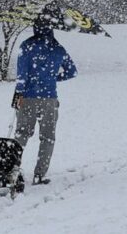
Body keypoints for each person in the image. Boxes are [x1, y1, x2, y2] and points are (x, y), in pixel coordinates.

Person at [11, 17, 77, 185]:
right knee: (48, 137)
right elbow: (72, 72)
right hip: (49, 98)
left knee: (21, 134)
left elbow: (21, 75)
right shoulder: (58, 49)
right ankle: (40, 174)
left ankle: (11, 171)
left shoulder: (26, 46)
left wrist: (18, 94)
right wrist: (53, 78)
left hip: (28, 97)